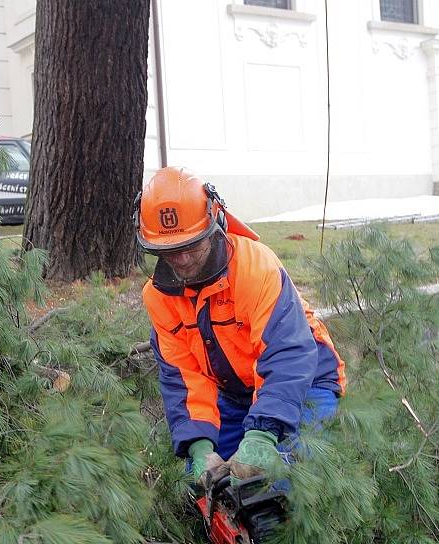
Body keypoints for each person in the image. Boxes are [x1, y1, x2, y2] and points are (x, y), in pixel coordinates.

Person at [135, 167, 346, 487]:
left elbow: (288, 353)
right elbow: (184, 378)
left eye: (191, 245)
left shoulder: (254, 268)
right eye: (168, 251)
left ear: (213, 225)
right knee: (214, 484)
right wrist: (199, 445)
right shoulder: (159, 298)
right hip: (234, 393)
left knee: (286, 482)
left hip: (307, 380)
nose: (181, 259)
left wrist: (263, 434)